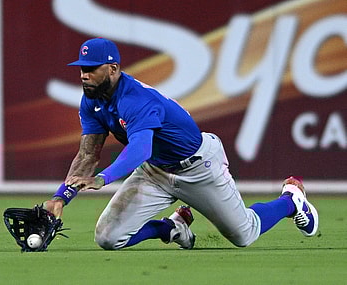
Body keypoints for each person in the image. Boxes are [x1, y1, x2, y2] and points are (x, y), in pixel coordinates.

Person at [44, 38, 318, 250]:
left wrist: (103, 179)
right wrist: (61, 198)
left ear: (113, 68)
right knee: (108, 238)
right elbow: (87, 154)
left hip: (198, 166)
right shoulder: (92, 99)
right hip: (155, 172)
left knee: (244, 234)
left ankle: (291, 201)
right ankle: (173, 228)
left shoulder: (136, 99)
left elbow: (141, 149)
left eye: (91, 69)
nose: (83, 75)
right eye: (81, 69)